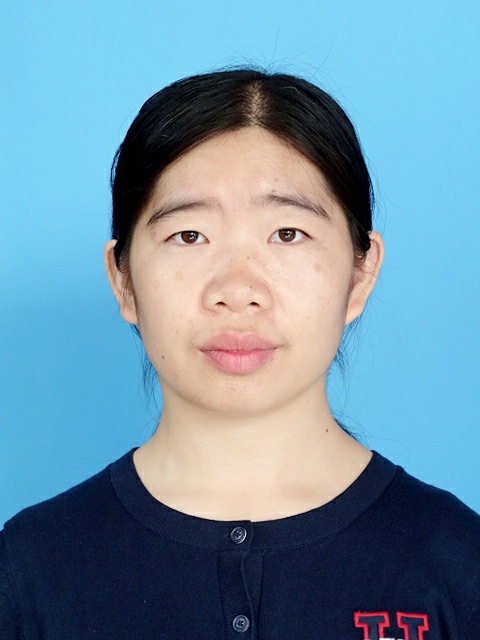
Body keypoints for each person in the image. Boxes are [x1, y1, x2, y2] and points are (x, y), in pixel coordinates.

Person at [1, 69, 479, 640]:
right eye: (189, 236)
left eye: (287, 234)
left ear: (360, 274)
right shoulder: (29, 571)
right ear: (123, 280)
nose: (237, 289)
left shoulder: (458, 565)